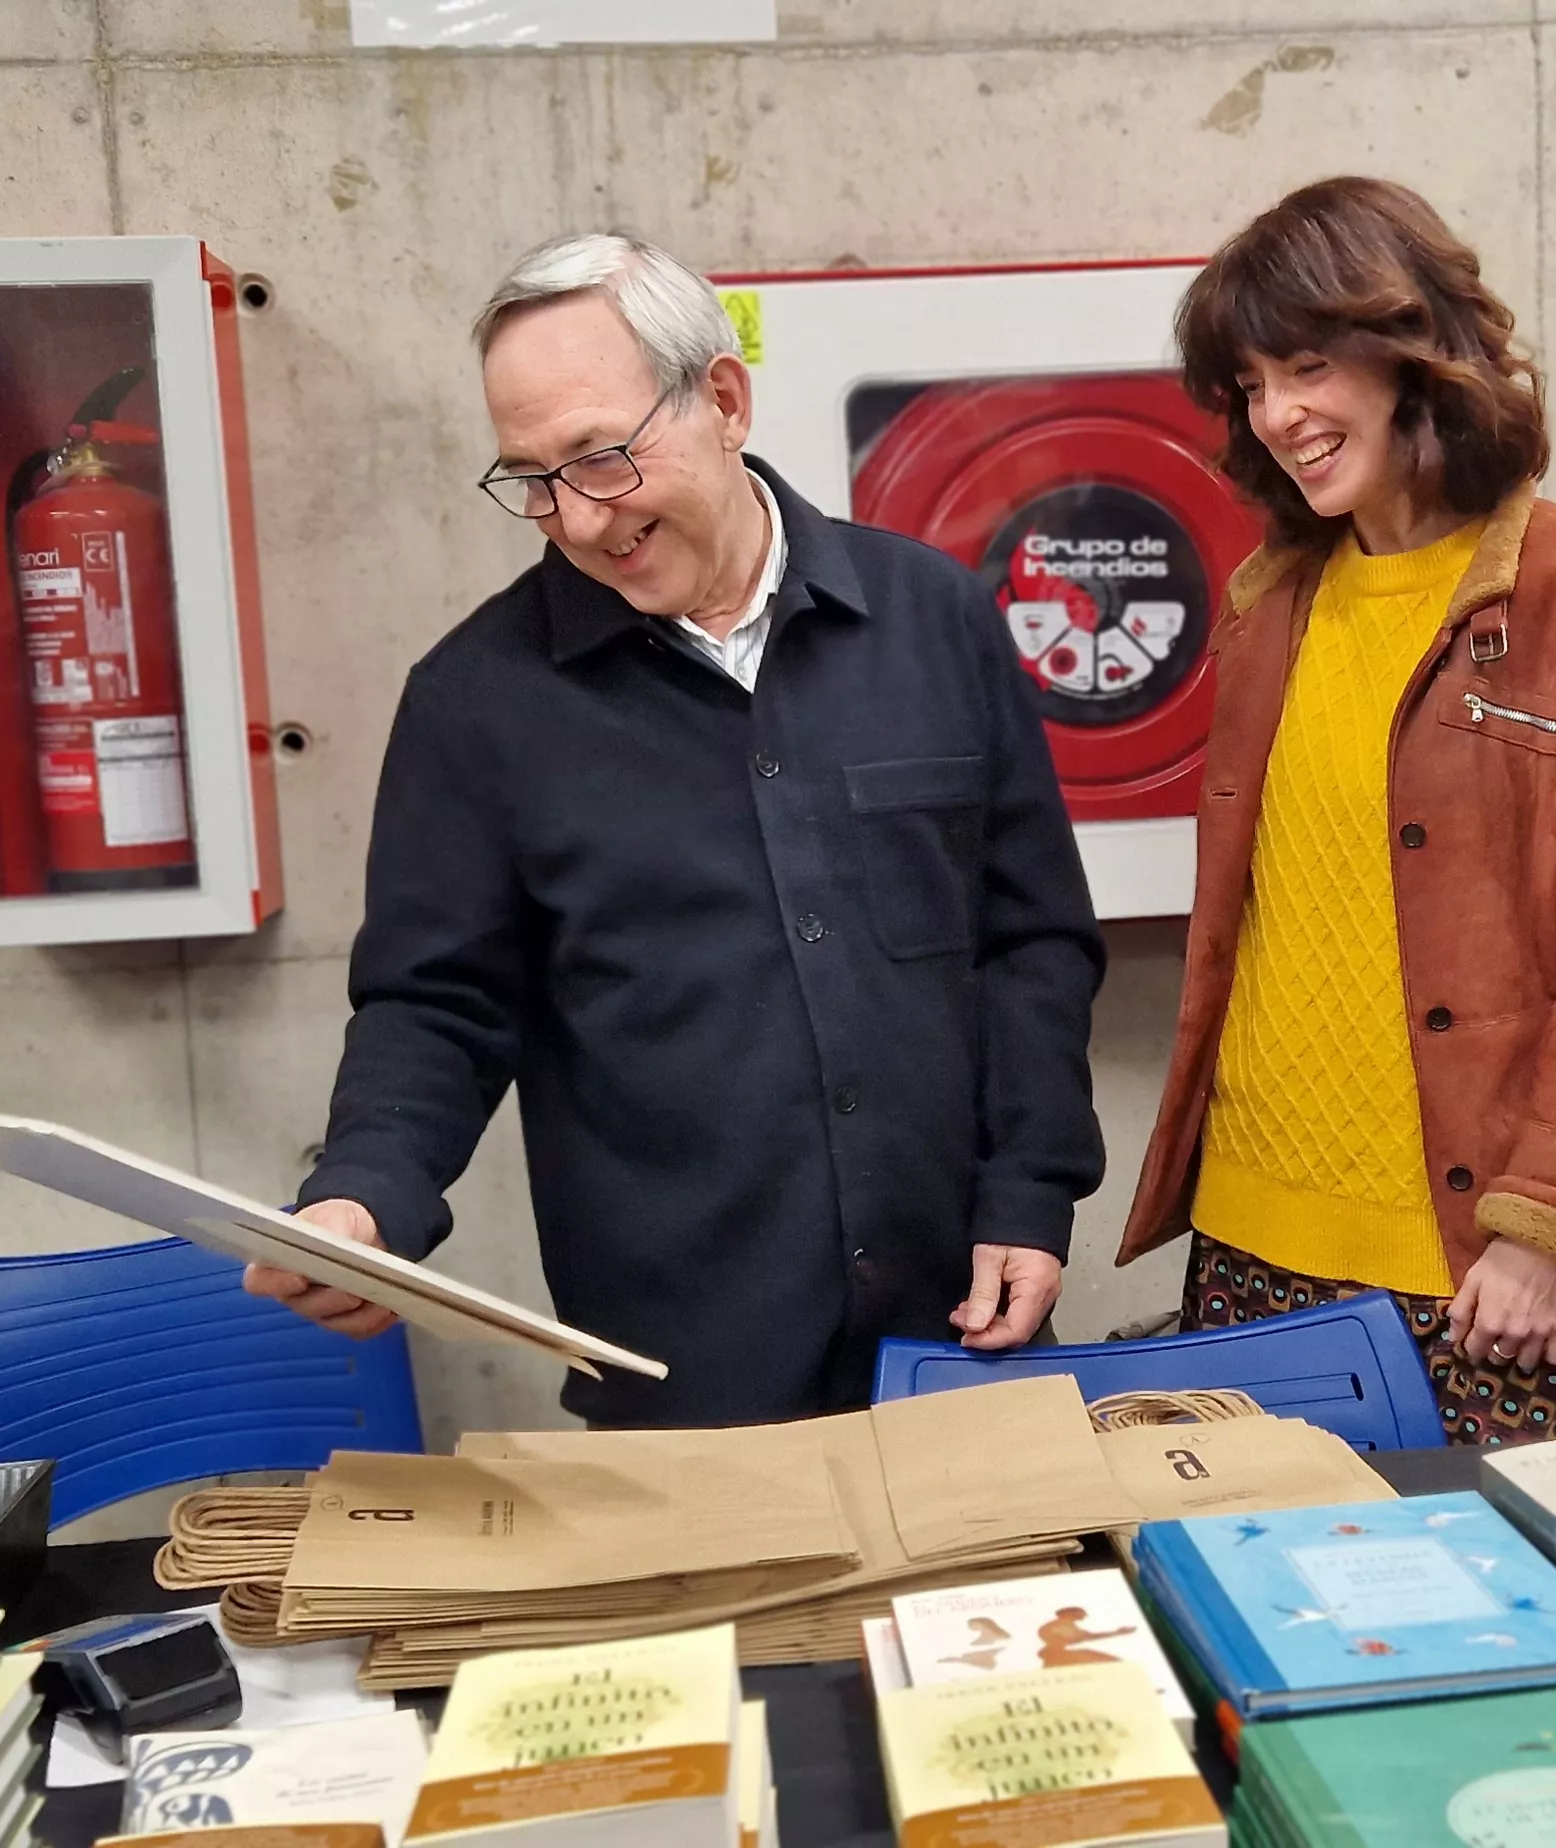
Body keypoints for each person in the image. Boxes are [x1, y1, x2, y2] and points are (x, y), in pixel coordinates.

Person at [244, 232, 1108, 1426]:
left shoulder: (934, 620)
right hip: (680, 1379)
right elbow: (435, 1003)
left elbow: (1032, 945)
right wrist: (362, 1194)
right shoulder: (475, 703)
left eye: (601, 457)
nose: (579, 519)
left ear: (723, 399)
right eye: (532, 480)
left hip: (960, 1337)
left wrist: (1028, 1192)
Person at [1114, 177, 1556, 1447]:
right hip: (1248, 1250)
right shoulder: (1267, 602)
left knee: (1510, 1633)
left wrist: (1547, 1225)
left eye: (1307, 367)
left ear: (1412, 362)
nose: (1277, 414)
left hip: (1484, 1269)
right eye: (1247, 384)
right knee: (1262, 1625)